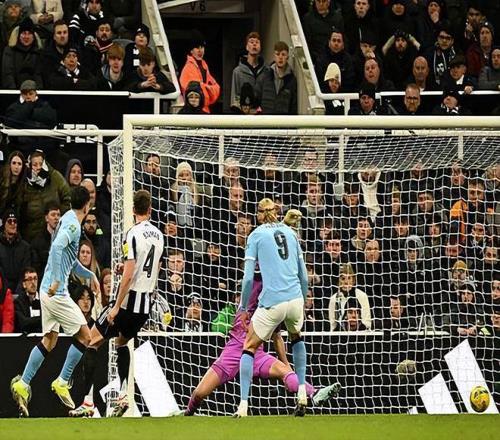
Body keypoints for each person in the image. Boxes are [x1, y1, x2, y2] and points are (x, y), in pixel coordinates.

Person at [186, 208, 340, 416]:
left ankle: (312, 394)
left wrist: (286, 366)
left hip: (254, 352)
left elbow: (276, 335)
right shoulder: (265, 288)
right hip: (234, 351)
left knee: (285, 372)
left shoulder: (263, 290)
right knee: (199, 393)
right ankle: (188, 413)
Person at [70, 189, 164, 418]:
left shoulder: (132, 234)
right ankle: (123, 395)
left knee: (91, 341)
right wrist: (129, 269)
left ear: (133, 210)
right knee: (122, 342)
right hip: (144, 306)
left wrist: (115, 306)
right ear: (150, 209)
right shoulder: (159, 235)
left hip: (127, 303)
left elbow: (129, 276)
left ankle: (88, 402)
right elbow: (155, 267)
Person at [10, 186, 100, 417]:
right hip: (56, 293)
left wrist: (89, 274)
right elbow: (58, 247)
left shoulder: (68, 218)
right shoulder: (73, 226)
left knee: (50, 340)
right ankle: (62, 380)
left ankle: (23, 383)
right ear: (87, 206)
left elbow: (68, 259)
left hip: (46, 291)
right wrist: (59, 280)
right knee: (86, 336)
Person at [234, 199, 309, 418]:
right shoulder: (291, 233)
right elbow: (304, 275)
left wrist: (243, 308)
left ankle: (243, 405)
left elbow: (248, 279)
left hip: (272, 301)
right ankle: (302, 393)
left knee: (249, 346)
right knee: (296, 337)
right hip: (295, 299)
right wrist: (303, 301)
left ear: (259, 215)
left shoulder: (255, 236)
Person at [179, 30, 220, 114]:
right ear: (191, 50)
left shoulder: (204, 66)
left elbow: (217, 89)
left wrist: (206, 88)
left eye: (202, 47)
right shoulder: (188, 68)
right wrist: (209, 89)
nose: (200, 50)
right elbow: (198, 93)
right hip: (193, 112)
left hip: (205, 111)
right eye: (197, 47)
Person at [14, 267, 42, 333]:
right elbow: (23, 323)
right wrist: (42, 319)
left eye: (35, 279)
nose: (33, 282)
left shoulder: (44, 300)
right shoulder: (18, 302)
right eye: (30, 279)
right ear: (24, 284)